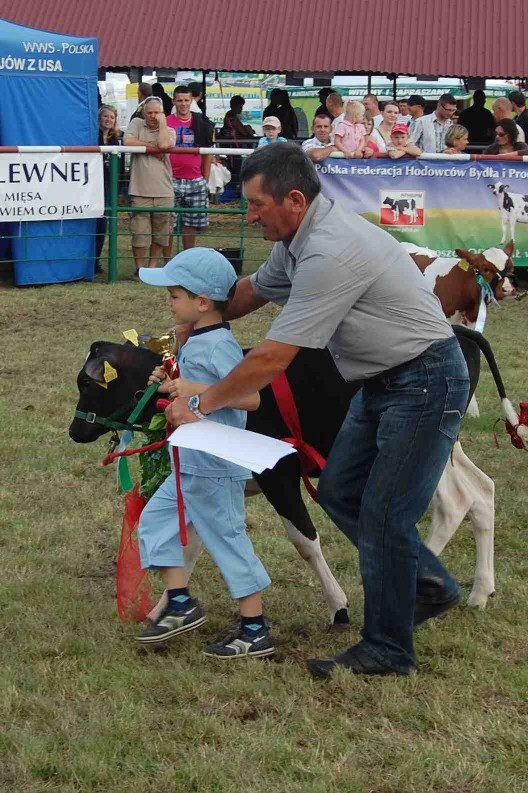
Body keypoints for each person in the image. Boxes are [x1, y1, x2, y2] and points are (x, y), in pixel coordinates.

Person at [164, 143, 466, 678]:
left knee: (384, 514)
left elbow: (274, 356)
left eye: (256, 205)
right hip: (382, 382)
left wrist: (199, 403)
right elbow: (252, 291)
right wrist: (201, 312)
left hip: (424, 381)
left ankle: (388, 650)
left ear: (295, 199)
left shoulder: (329, 251)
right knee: (339, 491)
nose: (249, 215)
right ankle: (427, 585)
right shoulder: (298, 240)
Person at [135, 248, 273, 658]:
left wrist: (193, 390)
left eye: (174, 294)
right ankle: (180, 602)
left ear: (202, 302)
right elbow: (193, 388)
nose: (168, 301)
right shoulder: (196, 340)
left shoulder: (220, 346)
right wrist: (169, 379)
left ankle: (255, 629)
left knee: (227, 541)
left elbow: (250, 399)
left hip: (214, 466)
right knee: (154, 524)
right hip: (188, 461)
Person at [123, 97, 176, 274]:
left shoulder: (169, 130)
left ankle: (152, 267)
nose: (153, 116)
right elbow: (127, 142)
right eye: (150, 112)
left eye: (157, 112)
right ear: (143, 113)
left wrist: (162, 124)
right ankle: (140, 268)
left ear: (163, 113)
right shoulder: (136, 124)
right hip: (139, 190)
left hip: (164, 190)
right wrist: (152, 149)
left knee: (162, 233)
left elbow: (164, 144)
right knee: (139, 233)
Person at [167, 86, 213, 252]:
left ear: (192, 101)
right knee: (168, 223)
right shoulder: (166, 122)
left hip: (195, 179)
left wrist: (205, 179)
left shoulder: (201, 122)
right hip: (171, 178)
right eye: (179, 100)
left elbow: (208, 152)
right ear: (174, 101)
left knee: (191, 223)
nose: (183, 104)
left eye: (186, 100)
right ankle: (167, 261)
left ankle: (186, 258)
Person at [95, 105, 122, 271]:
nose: (108, 120)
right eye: (105, 116)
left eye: (111, 117)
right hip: (92, 185)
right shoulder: (92, 136)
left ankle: (97, 260)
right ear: (99, 118)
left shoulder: (116, 140)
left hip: (107, 186)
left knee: (103, 224)